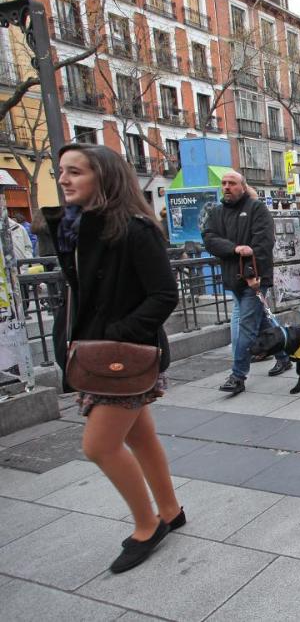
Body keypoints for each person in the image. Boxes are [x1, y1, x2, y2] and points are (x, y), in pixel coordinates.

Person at [45, 143, 183, 573]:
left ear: (103, 177)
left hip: (122, 356)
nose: (64, 179)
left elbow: (164, 295)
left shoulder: (133, 228)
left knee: (99, 446)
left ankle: (147, 525)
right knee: (139, 437)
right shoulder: (78, 227)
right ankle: (170, 509)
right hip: (98, 351)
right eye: (62, 171)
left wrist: (115, 336)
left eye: (75, 172)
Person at [202, 170, 290, 395]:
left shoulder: (256, 209)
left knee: (247, 327)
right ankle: (284, 356)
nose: (227, 187)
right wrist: (234, 249)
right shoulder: (217, 212)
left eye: (232, 183)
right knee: (261, 323)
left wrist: (252, 273)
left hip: (254, 280)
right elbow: (210, 239)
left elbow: (262, 243)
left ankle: (238, 376)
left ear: (242, 186)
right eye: (224, 183)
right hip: (233, 280)